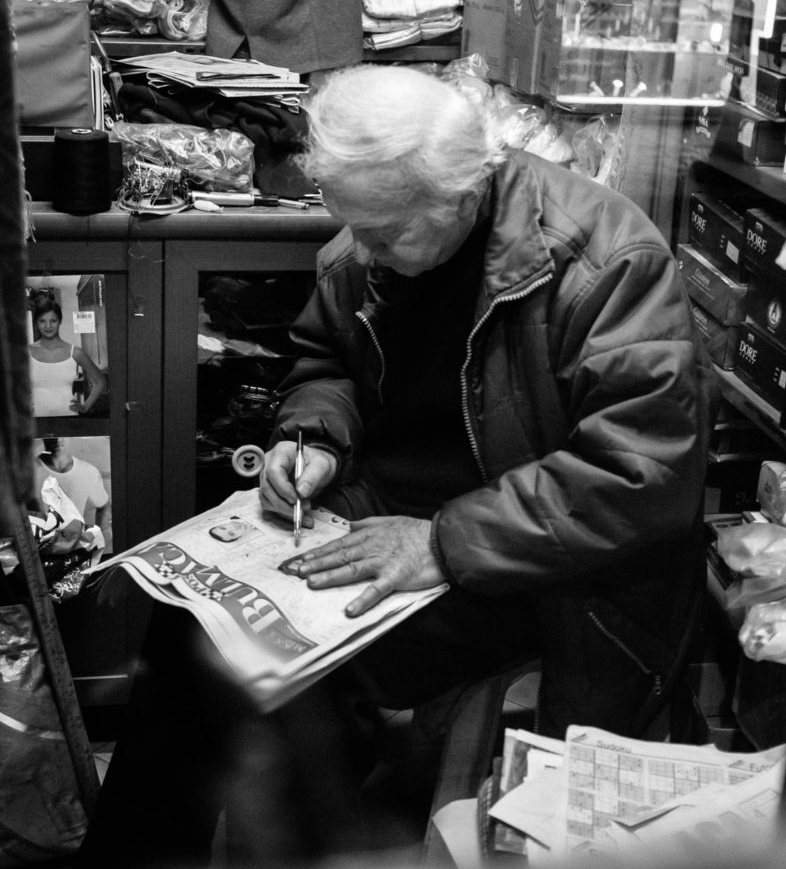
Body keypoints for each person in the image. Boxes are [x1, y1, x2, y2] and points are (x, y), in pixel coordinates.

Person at [79, 65, 716, 867]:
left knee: (295, 685)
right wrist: (312, 438)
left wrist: (441, 542)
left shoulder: (607, 261)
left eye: (383, 232)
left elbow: (642, 477)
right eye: (354, 225)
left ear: (461, 192)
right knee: (190, 636)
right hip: (391, 514)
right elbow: (326, 360)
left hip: (547, 566)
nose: (363, 250)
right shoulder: (374, 242)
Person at [28, 296, 106, 417]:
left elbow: (100, 381)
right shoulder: (26, 352)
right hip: (35, 422)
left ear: (60, 321)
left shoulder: (75, 353)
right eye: (42, 321)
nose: (48, 326)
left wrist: (85, 406)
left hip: (69, 421)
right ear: (36, 323)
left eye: (53, 321)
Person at [33, 437, 112, 551]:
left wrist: (99, 540)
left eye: (62, 436)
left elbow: (103, 505)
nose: (58, 441)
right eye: (53, 436)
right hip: (39, 552)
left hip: (74, 554)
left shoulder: (88, 471)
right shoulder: (30, 471)